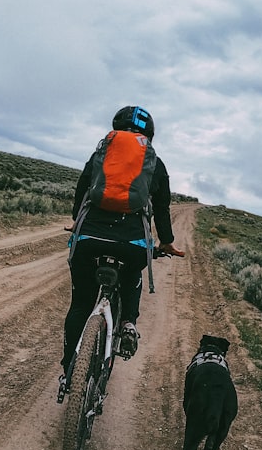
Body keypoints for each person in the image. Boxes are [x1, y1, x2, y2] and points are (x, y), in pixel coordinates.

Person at [59, 106, 183, 391]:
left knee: (80, 305)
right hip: (132, 243)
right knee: (131, 275)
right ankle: (128, 321)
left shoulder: (101, 155)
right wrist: (165, 242)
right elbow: (162, 209)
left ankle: (69, 372)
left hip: (89, 236)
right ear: (149, 134)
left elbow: (82, 192)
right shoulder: (155, 163)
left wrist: (77, 222)